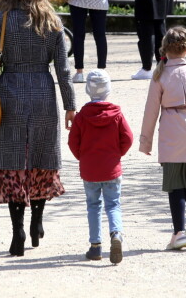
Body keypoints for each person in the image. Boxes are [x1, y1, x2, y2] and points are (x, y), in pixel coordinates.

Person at [0, 0, 76, 257]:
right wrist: (70, 105)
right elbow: (63, 69)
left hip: (10, 93)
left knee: (13, 162)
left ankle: (17, 231)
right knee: (41, 159)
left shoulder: (2, 19)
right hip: (43, 94)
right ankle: (37, 221)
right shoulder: (52, 22)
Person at [138, 26, 186, 250]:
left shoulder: (160, 75)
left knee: (175, 185)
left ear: (165, 49)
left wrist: (145, 141)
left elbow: (151, 111)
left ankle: (179, 232)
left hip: (171, 131)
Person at [68, 69, 133, 264]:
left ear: (88, 90)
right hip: (111, 167)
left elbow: (73, 142)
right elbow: (128, 138)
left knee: (93, 206)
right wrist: (117, 154)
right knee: (113, 204)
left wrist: (83, 157)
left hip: (90, 169)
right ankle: (116, 234)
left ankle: (95, 246)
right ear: (108, 89)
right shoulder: (116, 114)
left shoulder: (81, 116)